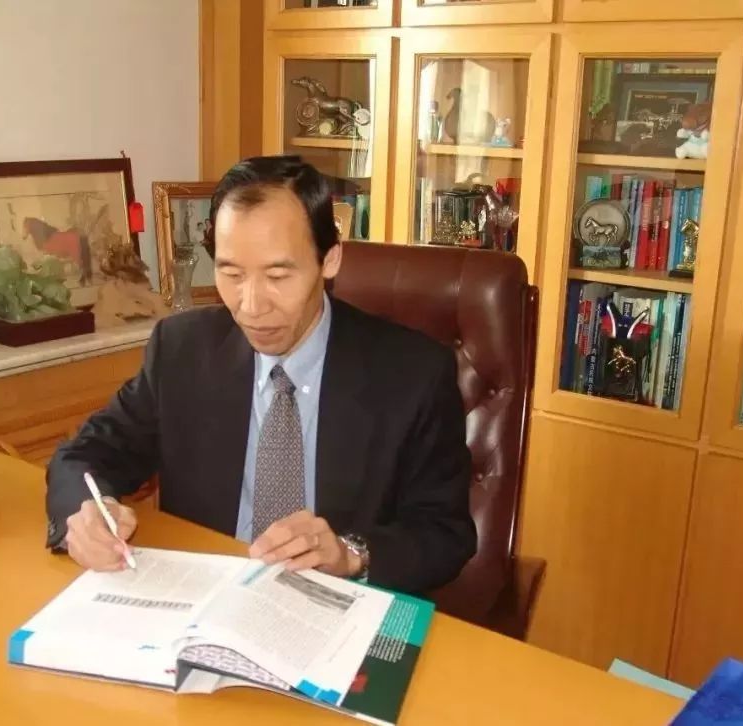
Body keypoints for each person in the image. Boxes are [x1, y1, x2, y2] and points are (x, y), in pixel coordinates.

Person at [46, 155, 475, 595]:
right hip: (204, 598)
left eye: (277, 275)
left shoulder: (413, 373)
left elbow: (445, 532)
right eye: (231, 273)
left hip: (334, 605)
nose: (250, 306)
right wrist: (85, 513)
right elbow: (86, 454)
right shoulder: (181, 350)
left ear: (329, 259)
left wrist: (351, 554)